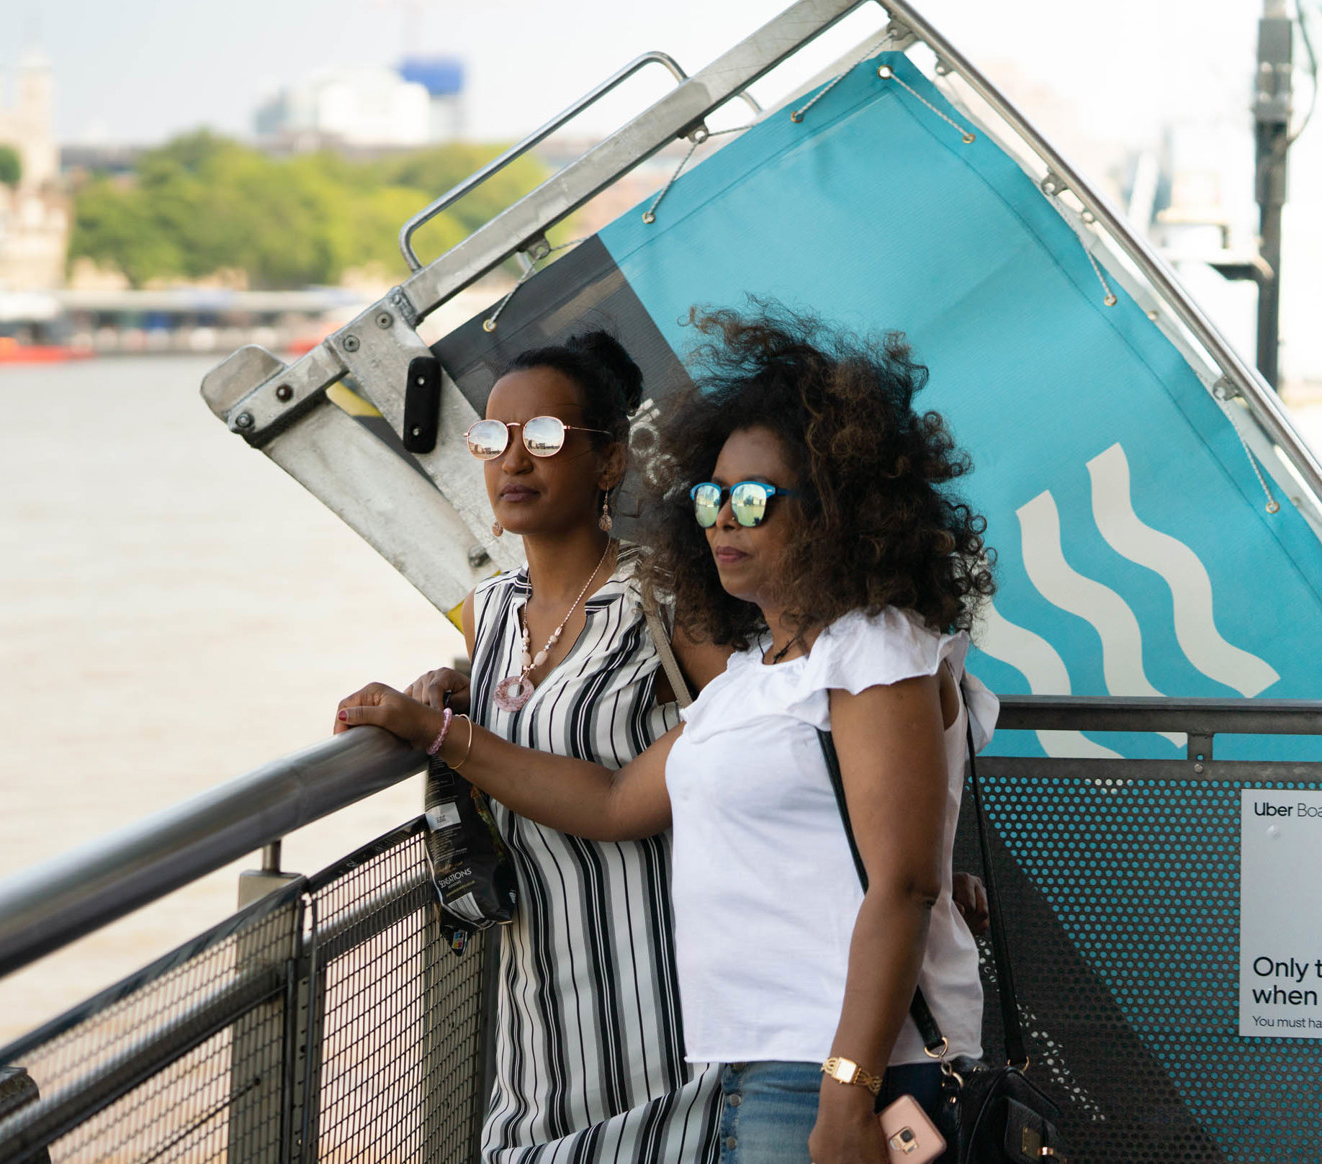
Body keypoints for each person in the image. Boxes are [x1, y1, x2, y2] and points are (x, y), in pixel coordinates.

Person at [338, 305, 997, 1164]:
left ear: (834, 510)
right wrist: (438, 732)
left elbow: (903, 884)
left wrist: (847, 1089)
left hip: (834, 1068)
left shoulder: (872, 648)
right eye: (711, 498)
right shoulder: (755, 679)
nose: (724, 519)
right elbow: (613, 800)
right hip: (737, 1064)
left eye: (754, 499)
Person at [367, 329, 737, 1164]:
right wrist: (448, 685)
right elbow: (518, 709)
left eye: (543, 440)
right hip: (538, 1036)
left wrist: (443, 732)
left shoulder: (669, 601)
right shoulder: (488, 613)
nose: (513, 462)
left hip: (669, 1025)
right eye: (494, 440)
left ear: (608, 463)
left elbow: (768, 746)